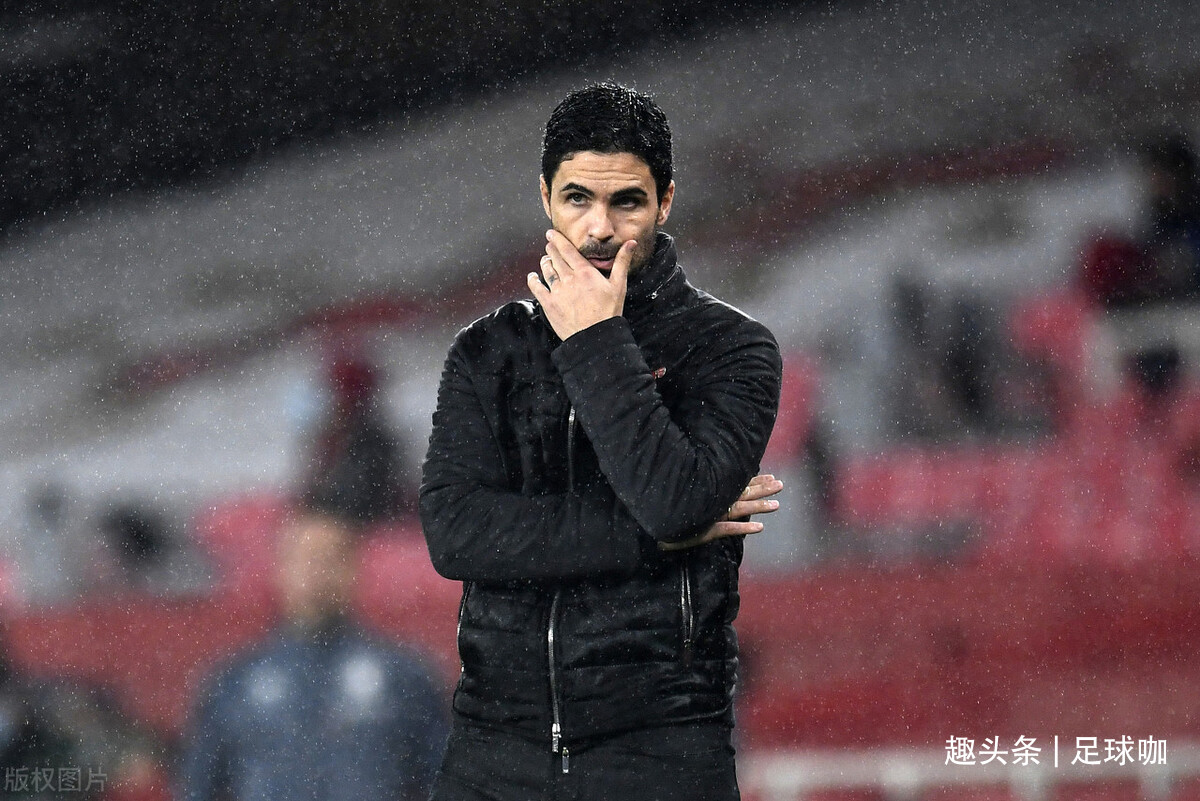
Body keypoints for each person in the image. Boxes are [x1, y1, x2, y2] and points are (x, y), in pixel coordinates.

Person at [420, 83, 784, 801]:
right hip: (493, 747)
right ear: (546, 197)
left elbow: (673, 502)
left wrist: (595, 338)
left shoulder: (732, 349)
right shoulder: (487, 351)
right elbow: (456, 535)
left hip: (661, 749)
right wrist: (654, 536)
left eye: (627, 202)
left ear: (666, 202)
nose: (599, 227)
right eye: (577, 198)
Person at [178, 500, 447, 801]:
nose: (317, 572)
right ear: (279, 568)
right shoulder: (233, 681)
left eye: (330, 558)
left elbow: (446, 782)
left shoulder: (405, 677)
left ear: (354, 568)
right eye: (304, 558)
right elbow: (198, 788)